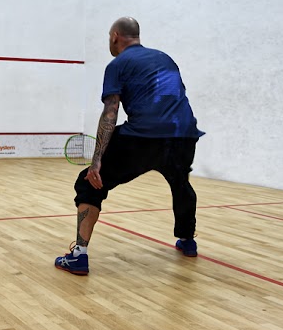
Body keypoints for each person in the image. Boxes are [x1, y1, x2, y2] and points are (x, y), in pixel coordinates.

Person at [55, 17, 204, 275]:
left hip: (142, 136)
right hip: (183, 134)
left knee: (89, 182)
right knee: (181, 183)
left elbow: (110, 112)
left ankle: (79, 256)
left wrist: (96, 161)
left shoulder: (118, 64)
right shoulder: (165, 59)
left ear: (115, 36)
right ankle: (187, 240)